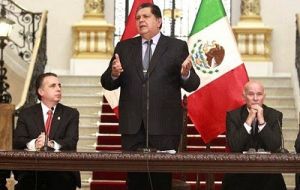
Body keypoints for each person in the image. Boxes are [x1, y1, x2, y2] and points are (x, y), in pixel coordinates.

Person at [101, 3, 200, 190]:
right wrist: (114, 73)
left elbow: (192, 83)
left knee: (160, 181)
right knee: (135, 181)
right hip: (133, 126)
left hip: (164, 126)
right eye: (138, 18)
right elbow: (107, 82)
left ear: (159, 21)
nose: (141, 21)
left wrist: (185, 73)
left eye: (146, 17)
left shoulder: (177, 47)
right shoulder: (124, 47)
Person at [13, 72, 81, 190]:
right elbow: (18, 141)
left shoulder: (71, 114)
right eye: (53, 86)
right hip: (32, 171)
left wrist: (49, 143)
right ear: (41, 92)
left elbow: (71, 142)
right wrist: (35, 143)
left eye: (59, 85)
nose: (58, 89)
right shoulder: (26, 114)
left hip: (61, 172)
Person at [221, 80, 287, 190]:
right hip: (240, 172)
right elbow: (234, 146)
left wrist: (261, 121)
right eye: (251, 94)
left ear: (264, 96)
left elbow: (275, 145)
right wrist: (249, 119)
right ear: (244, 96)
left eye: (259, 94)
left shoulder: (275, 115)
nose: (255, 98)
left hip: (267, 172)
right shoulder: (233, 116)